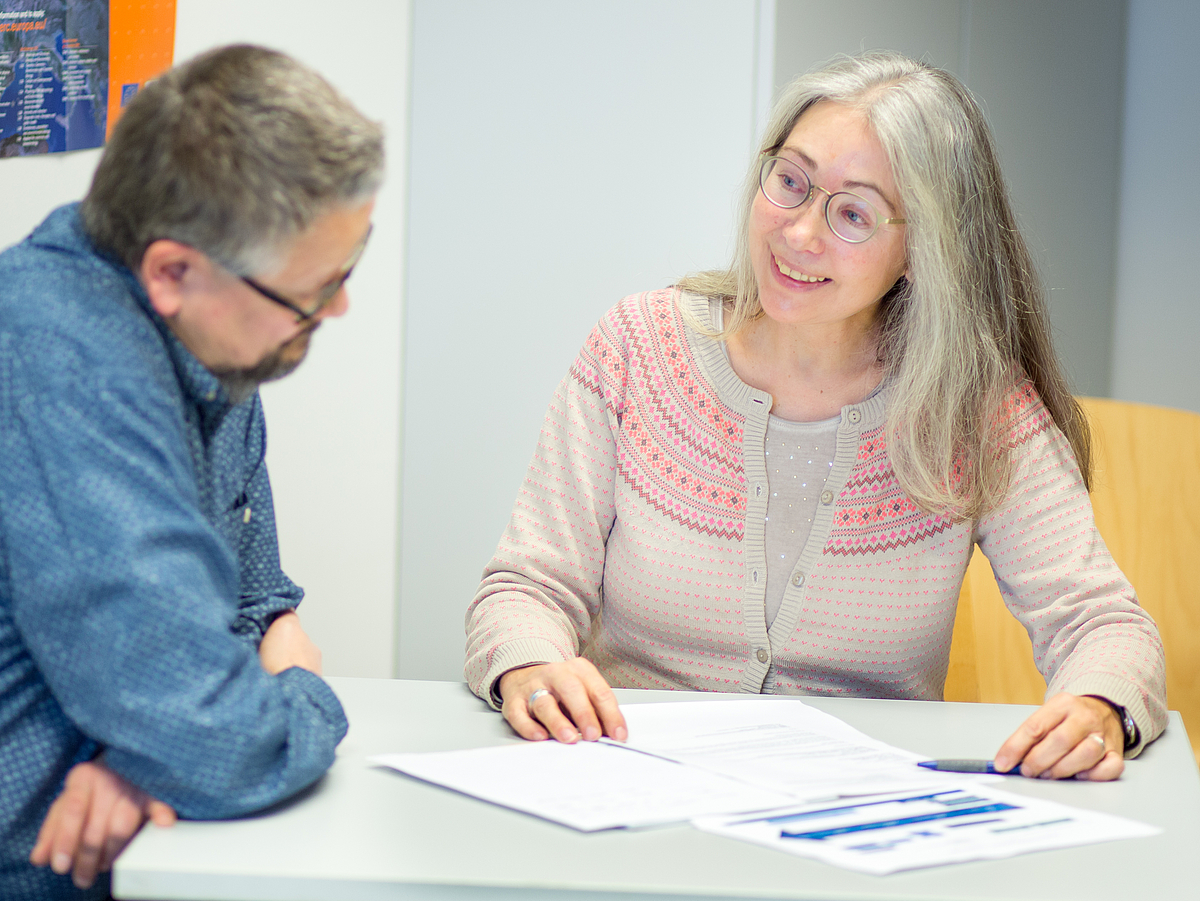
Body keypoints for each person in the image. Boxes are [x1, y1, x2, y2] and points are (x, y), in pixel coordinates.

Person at [465, 50, 1166, 781]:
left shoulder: (972, 407)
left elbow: (1104, 625)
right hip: (624, 785)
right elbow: (525, 586)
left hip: (860, 820)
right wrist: (534, 664)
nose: (799, 233)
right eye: (791, 182)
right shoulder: (635, 348)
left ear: (921, 251)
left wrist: (1096, 704)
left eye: (853, 213)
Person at [0, 45, 384, 899]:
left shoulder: (219, 347)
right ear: (173, 271)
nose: (339, 309)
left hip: (144, 852)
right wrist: (297, 689)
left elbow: (252, 607)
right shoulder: (69, 367)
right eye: (315, 289)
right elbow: (225, 734)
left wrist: (147, 759)